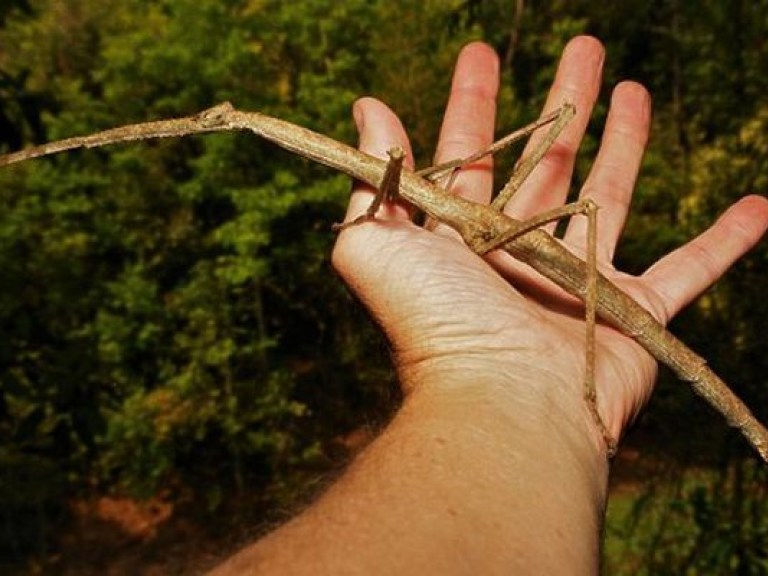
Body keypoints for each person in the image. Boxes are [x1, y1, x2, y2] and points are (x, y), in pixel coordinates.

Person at [211, 36, 768, 575]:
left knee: (578, 180)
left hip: (527, 246)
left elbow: (402, 172)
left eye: (228, 120)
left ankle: (611, 395)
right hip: (492, 235)